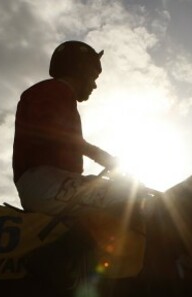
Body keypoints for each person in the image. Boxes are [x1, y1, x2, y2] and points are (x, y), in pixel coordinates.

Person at [13, 40, 147, 218]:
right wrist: (105, 159)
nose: (94, 85)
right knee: (131, 193)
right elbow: (54, 134)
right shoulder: (55, 90)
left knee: (127, 189)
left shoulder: (58, 94)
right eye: (93, 76)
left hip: (52, 181)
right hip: (44, 183)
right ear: (80, 70)